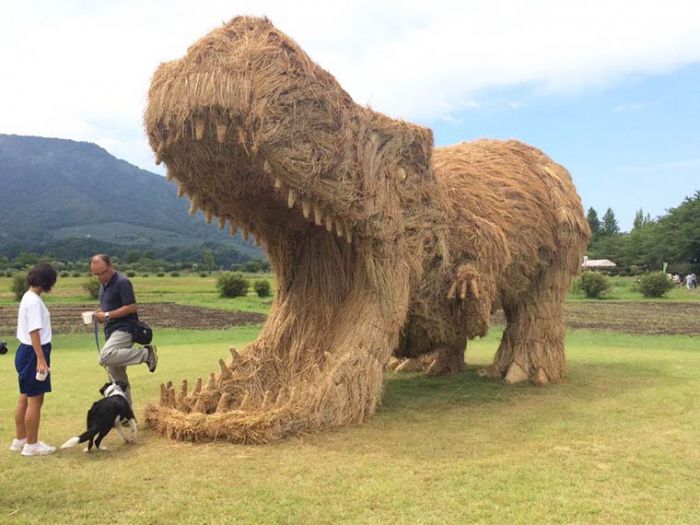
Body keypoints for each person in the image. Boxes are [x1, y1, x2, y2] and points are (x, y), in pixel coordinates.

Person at [90, 254, 157, 405]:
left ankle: (146, 354)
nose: (101, 277)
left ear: (111, 266)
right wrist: (98, 314)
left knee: (105, 357)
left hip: (126, 328)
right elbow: (110, 307)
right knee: (117, 376)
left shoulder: (122, 282)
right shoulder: (103, 286)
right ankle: (126, 412)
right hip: (111, 330)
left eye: (103, 272)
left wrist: (106, 315)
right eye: (97, 274)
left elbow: (131, 307)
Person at [11, 263, 58, 456]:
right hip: (34, 353)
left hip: (24, 352)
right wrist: (41, 359)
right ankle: (32, 445)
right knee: (35, 400)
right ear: (47, 281)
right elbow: (34, 331)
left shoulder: (27, 296)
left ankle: (20, 439)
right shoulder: (35, 302)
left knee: (24, 397)